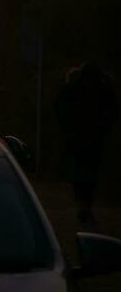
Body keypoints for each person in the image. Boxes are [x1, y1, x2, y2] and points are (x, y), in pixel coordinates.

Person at [55, 62, 118, 222]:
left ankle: (83, 205)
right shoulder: (102, 91)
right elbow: (112, 109)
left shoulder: (74, 90)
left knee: (80, 172)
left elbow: (61, 108)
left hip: (79, 138)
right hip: (92, 139)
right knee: (90, 173)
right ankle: (85, 206)